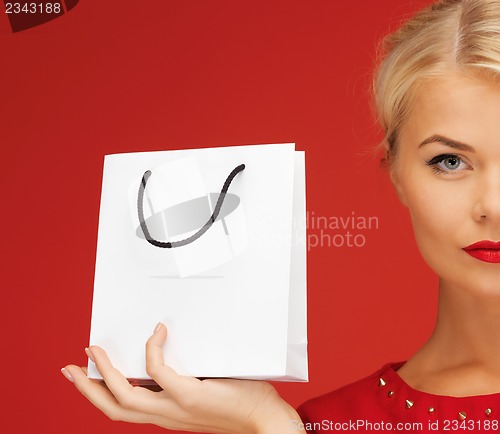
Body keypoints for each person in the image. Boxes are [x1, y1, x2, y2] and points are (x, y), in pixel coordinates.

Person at [61, 0, 500, 432]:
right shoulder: (324, 425)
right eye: (449, 161)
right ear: (397, 172)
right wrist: (266, 425)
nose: (493, 206)